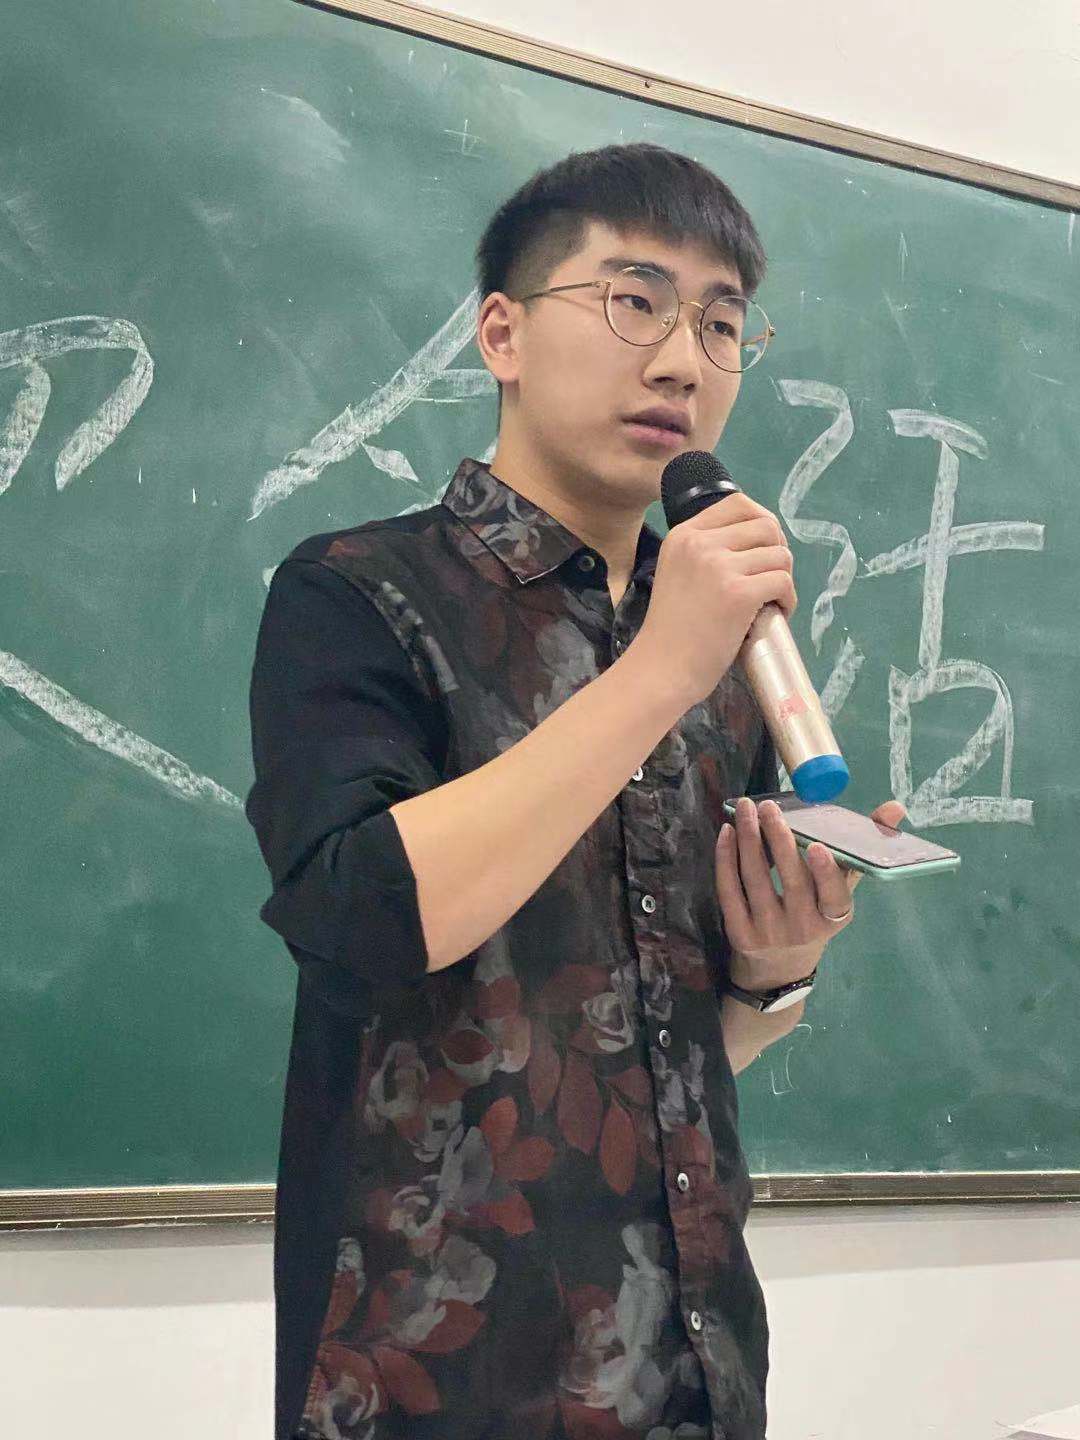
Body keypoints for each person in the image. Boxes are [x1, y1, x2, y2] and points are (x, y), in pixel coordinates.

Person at [246, 142, 903, 1440]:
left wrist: (775, 975)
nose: (682, 362)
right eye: (634, 301)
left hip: (695, 1367)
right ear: (502, 333)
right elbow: (365, 920)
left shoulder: (719, 645)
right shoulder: (356, 593)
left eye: (721, 325)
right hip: (435, 1377)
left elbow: (665, 1049)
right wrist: (663, 667)